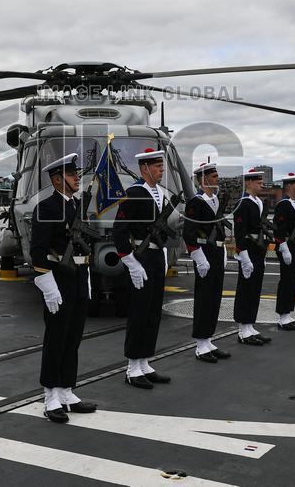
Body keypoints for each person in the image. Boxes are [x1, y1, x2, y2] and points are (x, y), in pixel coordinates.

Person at [29, 152, 98, 423]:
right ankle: (50, 396)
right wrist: (48, 285)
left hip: (78, 277)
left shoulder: (74, 206)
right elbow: (37, 251)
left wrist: (87, 277)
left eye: (76, 174)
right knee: (56, 339)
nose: (76, 178)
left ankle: (67, 390)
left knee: (73, 338)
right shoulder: (45, 207)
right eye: (71, 175)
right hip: (58, 278)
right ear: (58, 179)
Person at [113, 148, 174, 388]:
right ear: (145, 168)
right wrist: (130, 262)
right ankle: (132, 368)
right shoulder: (134, 193)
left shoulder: (160, 193)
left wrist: (165, 255)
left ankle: (145, 361)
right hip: (141, 258)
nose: (162, 170)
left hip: (157, 257)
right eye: (157, 166)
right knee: (139, 313)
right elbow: (119, 230)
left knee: (153, 311)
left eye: (161, 166)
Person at [182, 161, 231, 363]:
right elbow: (189, 233)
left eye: (217, 175)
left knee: (215, 297)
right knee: (204, 298)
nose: (217, 178)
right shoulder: (196, 202)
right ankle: (201, 345)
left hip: (217, 252)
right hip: (205, 254)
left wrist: (224, 248)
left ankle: (209, 339)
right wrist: (197, 256)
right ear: (203, 180)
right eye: (213, 176)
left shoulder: (216, 201)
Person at [232, 169, 272, 345]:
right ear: (248, 183)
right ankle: (243, 329)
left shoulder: (259, 203)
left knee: (255, 289)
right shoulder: (244, 203)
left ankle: (250, 325)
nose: (261, 184)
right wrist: (243, 255)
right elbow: (240, 233)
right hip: (248, 250)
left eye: (261, 181)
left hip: (258, 250)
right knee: (246, 290)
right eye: (257, 181)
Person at [273, 173, 295, 331]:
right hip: (286, 245)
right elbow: (278, 229)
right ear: (289, 186)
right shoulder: (284, 204)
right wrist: (283, 246)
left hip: (294, 245)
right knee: (286, 280)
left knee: (291, 280)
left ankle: (288, 314)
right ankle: (282, 316)